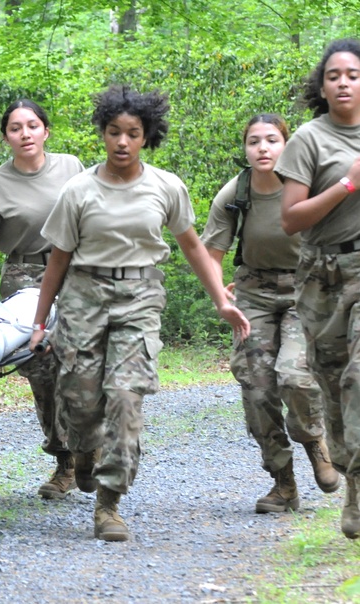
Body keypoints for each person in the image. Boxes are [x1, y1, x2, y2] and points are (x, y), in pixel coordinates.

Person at [26, 85, 250, 542]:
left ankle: (109, 505)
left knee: (126, 399)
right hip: (83, 295)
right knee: (81, 402)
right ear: (103, 135)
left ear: (146, 136)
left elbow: (193, 248)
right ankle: (84, 453)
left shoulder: (166, 186)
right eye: (114, 132)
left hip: (140, 295)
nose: (122, 142)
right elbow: (57, 261)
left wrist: (221, 301)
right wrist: (38, 321)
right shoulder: (78, 190)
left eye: (132, 133)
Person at [201, 114, 339, 514]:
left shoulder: (307, 185)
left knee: (295, 376)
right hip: (254, 294)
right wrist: (219, 296)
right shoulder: (235, 193)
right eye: (254, 141)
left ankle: (314, 440)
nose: (263, 148)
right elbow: (211, 254)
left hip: (305, 290)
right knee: (257, 390)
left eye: (272, 140)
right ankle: (283, 484)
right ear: (245, 148)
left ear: (286, 146)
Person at [0, 99, 84, 500]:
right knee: (44, 373)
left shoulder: (71, 167)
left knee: (82, 363)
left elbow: (93, 217)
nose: (26, 133)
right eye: (16, 128)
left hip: (75, 272)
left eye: (33, 125)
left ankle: (91, 448)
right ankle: (64, 460)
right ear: (6, 137)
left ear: (46, 131)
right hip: (23, 278)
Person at [278, 38, 360, 540]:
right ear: (322, 85)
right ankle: (350, 468)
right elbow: (291, 220)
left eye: (353, 73)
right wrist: (347, 185)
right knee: (331, 388)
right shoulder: (308, 139)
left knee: (359, 377)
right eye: (334, 75)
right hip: (324, 278)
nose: (344, 82)